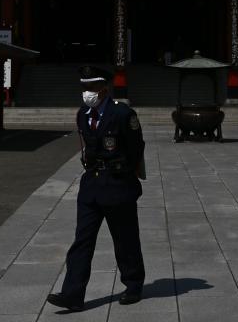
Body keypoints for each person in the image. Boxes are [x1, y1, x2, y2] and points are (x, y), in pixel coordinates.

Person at [47, 66, 146, 312]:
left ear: (104, 89)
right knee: (82, 241)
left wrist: (123, 171)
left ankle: (133, 284)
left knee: (125, 240)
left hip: (118, 184)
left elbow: (136, 148)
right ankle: (73, 294)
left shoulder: (123, 114)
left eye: (91, 87)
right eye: (84, 87)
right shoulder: (83, 114)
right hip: (91, 184)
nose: (86, 92)